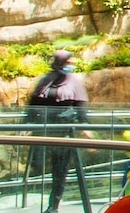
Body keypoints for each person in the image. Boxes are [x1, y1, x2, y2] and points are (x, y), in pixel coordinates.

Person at [27, 50, 90, 213]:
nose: (71, 66)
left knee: (60, 170)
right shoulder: (46, 80)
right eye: (68, 63)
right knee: (37, 165)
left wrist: (85, 126)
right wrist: (28, 125)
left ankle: (53, 205)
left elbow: (81, 108)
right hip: (44, 131)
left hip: (64, 132)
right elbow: (33, 105)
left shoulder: (74, 82)